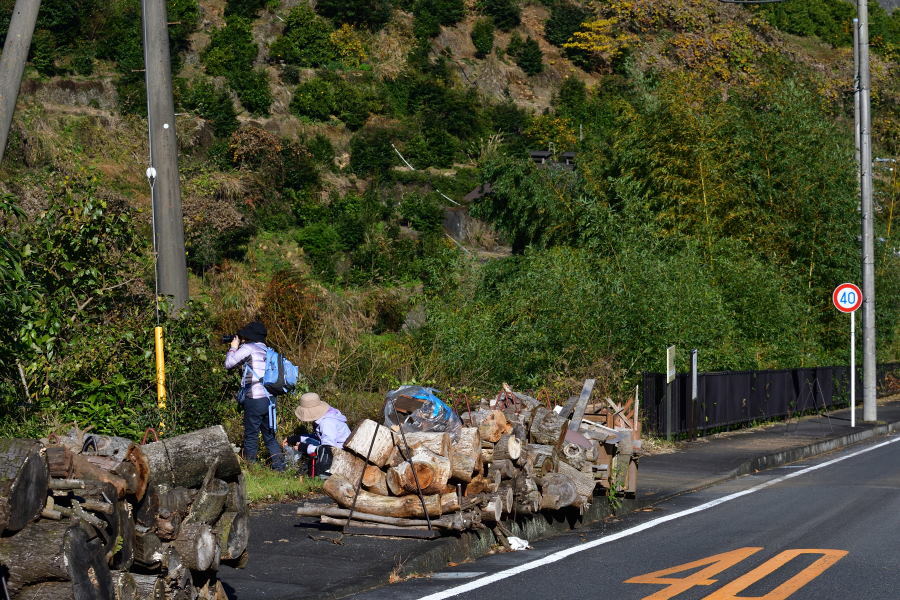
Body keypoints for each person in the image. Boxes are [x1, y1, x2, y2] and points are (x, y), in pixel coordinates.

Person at [225, 321, 285, 471]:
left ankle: (251, 469)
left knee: (251, 435)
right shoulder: (268, 350)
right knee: (269, 435)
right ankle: (280, 468)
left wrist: (233, 347)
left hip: (255, 397)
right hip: (270, 399)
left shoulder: (248, 348)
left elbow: (229, 363)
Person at [293, 392, 350, 477]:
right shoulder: (325, 417)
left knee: (310, 448)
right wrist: (295, 438)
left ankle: (323, 476)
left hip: (341, 456)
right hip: (336, 449)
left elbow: (327, 450)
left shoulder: (327, 423)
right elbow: (319, 438)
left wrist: (304, 447)